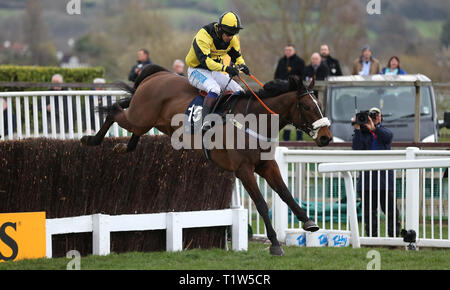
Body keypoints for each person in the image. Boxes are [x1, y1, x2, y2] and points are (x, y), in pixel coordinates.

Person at [185, 11, 250, 130]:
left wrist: (242, 65)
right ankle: (205, 122)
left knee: (239, 90)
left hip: (214, 71)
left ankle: (230, 118)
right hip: (196, 70)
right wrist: (226, 68)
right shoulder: (204, 36)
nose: (231, 37)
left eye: (233, 34)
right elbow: (207, 62)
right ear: (220, 29)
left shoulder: (232, 39)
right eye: (229, 34)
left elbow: (237, 56)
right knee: (214, 89)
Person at [352, 107, 400, 237]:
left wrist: (374, 128)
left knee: (391, 212)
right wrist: (357, 128)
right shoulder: (361, 134)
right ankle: (372, 238)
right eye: (371, 115)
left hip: (385, 181)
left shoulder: (383, 131)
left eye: (376, 115)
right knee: (369, 213)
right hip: (368, 181)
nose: (374, 117)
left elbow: (388, 138)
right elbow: (356, 149)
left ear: (381, 117)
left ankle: (394, 237)